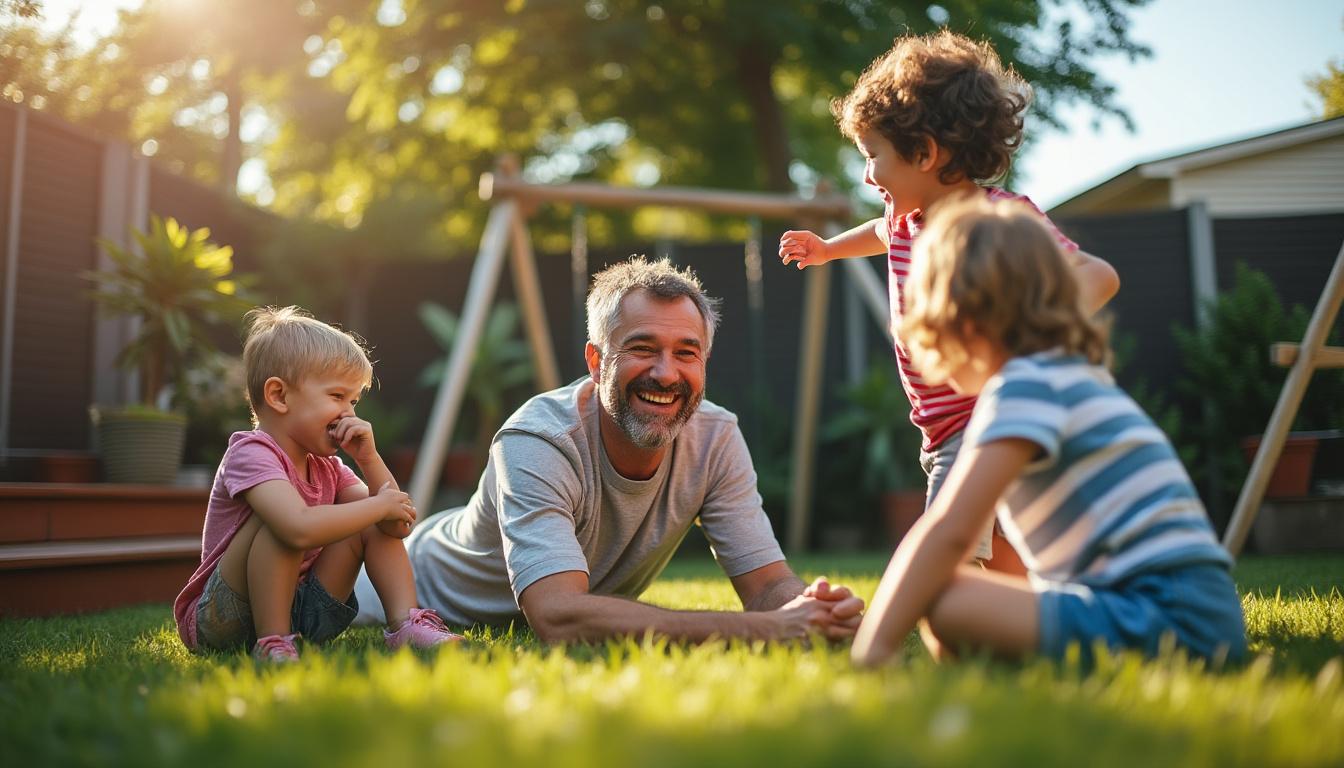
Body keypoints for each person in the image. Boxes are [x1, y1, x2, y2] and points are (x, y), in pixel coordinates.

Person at [354, 257, 864, 642]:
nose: (666, 373)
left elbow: (767, 585)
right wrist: (761, 631)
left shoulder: (716, 437)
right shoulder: (538, 440)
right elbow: (558, 615)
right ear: (596, 361)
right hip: (390, 586)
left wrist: (810, 607)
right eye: (642, 349)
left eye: (686, 353)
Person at [851, 196, 1245, 666]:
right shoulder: (1062, 376)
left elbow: (949, 532)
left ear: (966, 320)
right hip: (1194, 612)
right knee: (963, 603)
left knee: (942, 597)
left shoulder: (1024, 388)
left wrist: (872, 649)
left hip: (1166, 618)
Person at [778, 30, 1120, 568]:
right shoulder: (904, 220)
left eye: (874, 156)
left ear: (926, 153)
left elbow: (1096, 275)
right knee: (1010, 559)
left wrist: (1026, 337)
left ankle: (954, 624)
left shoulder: (998, 221)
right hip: (941, 428)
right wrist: (826, 250)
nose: (868, 175)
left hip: (984, 418)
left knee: (946, 564)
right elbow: (877, 233)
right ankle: (1030, 630)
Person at [173, 306, 461, 662]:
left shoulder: (329, 467)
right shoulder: (251, 453)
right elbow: (296, 529)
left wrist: (369, 460)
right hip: (223, 618)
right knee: (281, 520)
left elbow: (396, 524)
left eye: (354, 401)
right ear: (279, 396)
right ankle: (272, 642)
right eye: (338, 397)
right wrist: (378, 505)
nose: (349, 414)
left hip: (306, 612)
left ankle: (407, 625)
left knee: (370, 518)